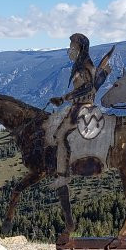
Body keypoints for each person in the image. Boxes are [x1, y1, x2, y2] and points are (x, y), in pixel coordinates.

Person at [49, 33, 113, 186]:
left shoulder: (84, 65)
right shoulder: (82, 63)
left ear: (80, 47)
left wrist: (64, 98)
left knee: (60, 135)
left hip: (81, 107)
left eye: (73, 46)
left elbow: (88, 88)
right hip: (78, 106)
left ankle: (63, 174)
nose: (70, 49)